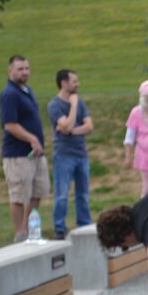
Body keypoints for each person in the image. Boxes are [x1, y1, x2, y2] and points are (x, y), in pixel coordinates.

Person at [0, 55, 50, 243]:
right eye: (20, 69)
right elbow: (9, 124)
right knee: (19, 195)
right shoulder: (9, 94)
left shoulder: (26, 91)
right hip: (18, 154)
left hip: (36, 154)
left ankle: (30, 231)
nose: (24, 72)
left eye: (27, 68)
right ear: (10, 71)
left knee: (39, 191)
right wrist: (31, 138)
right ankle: (19, 233)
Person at [48, 69, 94, 239]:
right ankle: (59, 228)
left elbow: (89, 126)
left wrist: (71, 130)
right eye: (74, 81)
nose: (77, 84)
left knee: (83, 193)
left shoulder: (81, 102)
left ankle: (84, 225)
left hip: (81, 154)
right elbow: (64, 126)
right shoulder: (55, 105)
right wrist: (73, 106)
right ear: (64, 83)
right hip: (63, 155)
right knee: (62, 194)